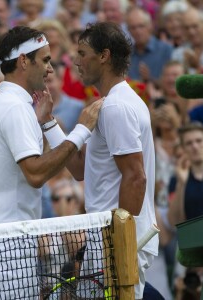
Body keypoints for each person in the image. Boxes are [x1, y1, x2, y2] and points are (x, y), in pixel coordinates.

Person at [0, 25, 103, 299]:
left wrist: (48, 123)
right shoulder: (14, 108)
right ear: (23, 61)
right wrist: (81, 130)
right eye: (45, 60)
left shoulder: (3, 103)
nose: (50, 69)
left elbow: (62, 170)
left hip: (2, 237)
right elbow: (36, 173)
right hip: (4, 241)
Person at [40, 22, 158, 299]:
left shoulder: (116, 106)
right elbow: (80, 169)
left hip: (116, 242)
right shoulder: (111, 103)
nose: (76, 62)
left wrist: (119, 245)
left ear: (104, 56)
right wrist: (48, 122)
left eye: (82, 53)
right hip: (106, 239)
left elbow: (135, 177)